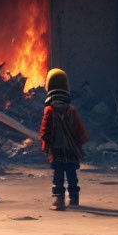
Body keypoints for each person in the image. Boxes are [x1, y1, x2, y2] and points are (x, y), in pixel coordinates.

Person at [39, 68, 89, 211]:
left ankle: (59, 200)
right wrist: (78, 146)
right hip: (71, 151)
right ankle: (74, 197)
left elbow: (45, 131)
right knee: (72, 174)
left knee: (58, 176)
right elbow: (81, 132)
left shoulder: (49, 110)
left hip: (57, 151)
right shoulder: (72, 110)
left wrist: (45, 146)